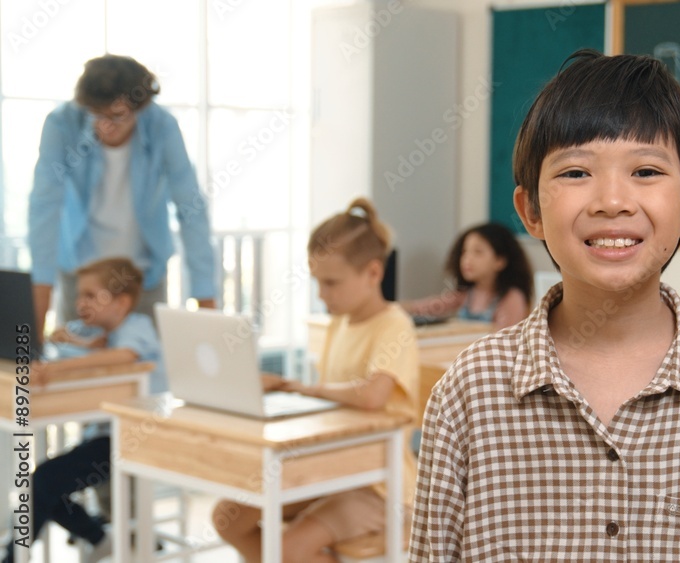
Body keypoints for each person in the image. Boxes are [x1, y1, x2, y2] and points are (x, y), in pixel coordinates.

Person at [409, 49, 680, 560]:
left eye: (645, 171)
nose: (611, 201)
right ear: (530, 210)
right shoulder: (468, 390)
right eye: (575, 173)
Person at [212, 197, 419, 562]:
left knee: (288, 550)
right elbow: (335, 397)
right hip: (333, 467)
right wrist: (281, 389)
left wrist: (301, 389)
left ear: (373, 273)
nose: (322, 294)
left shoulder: (394, 325)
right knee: (228, 517)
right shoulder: (338, 324)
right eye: (317, 282)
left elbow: (372, 395)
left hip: (379, 485)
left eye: (331, 283)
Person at [28, 54, 216, 342]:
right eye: (97, 114)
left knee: (146, 367)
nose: (105, 125)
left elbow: (191, 210)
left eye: (117, 115)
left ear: (141, 108)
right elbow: (44, 208)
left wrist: (208, 317)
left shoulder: (162, 126)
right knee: (77, 367)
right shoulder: (61, 124)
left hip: (142, 278)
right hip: (82, 278)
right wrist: (32, 336)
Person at [3, 257, 165, 563]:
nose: (80, 303)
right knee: (44, 484)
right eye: (79, 295)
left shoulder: (137, 328)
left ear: (121, 302)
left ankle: (15, 557)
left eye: (91, 296)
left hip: (132, 438)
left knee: (42, 483)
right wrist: (75, 343)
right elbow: (103, 351)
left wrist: (60, 366)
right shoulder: (103, 336)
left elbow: (125, 356)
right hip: (105, 437)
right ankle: (96, 537)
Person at [401, 222, 533, 329]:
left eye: (478, 252)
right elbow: (426, 307)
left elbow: (506, 343)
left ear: (500, 261)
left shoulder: (512, 298)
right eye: (464, 252)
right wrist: (390, 307)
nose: (467, 259)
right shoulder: (465, 295)